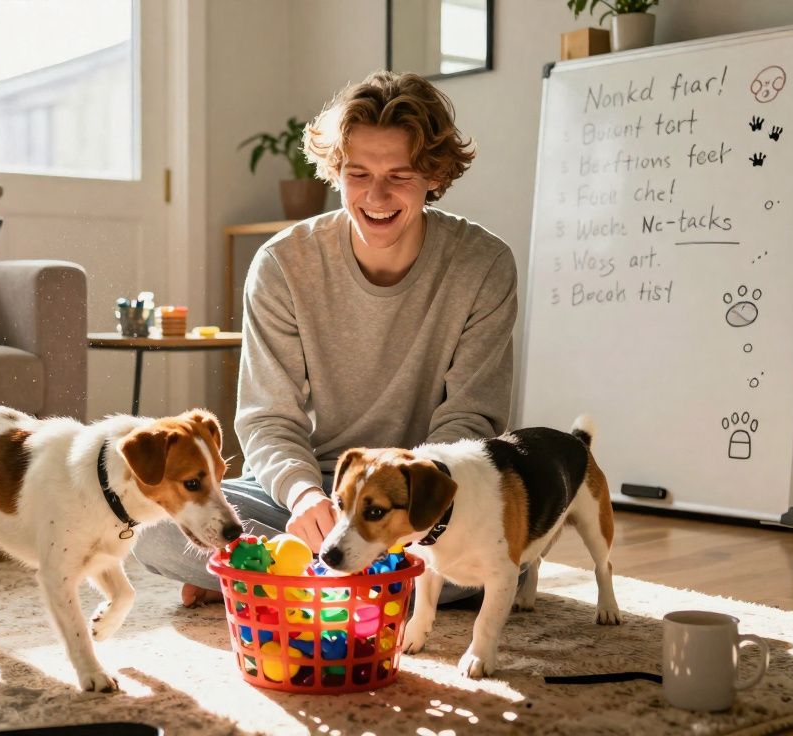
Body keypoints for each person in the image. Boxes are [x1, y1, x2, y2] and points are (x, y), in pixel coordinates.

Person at [133, 70, 518, 607]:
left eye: (400, 175)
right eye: (358, 173)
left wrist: (399, 520)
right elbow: (269, 418)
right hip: (321, 486)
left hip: (426, 499)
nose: (376, 195)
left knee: (496, 557)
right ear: (335, 171)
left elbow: (471, 420)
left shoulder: (484, 264)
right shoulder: (283, 264)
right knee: (152, 531)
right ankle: (363, 583)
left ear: (434, 176)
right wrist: (304, 494)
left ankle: (264, 580)